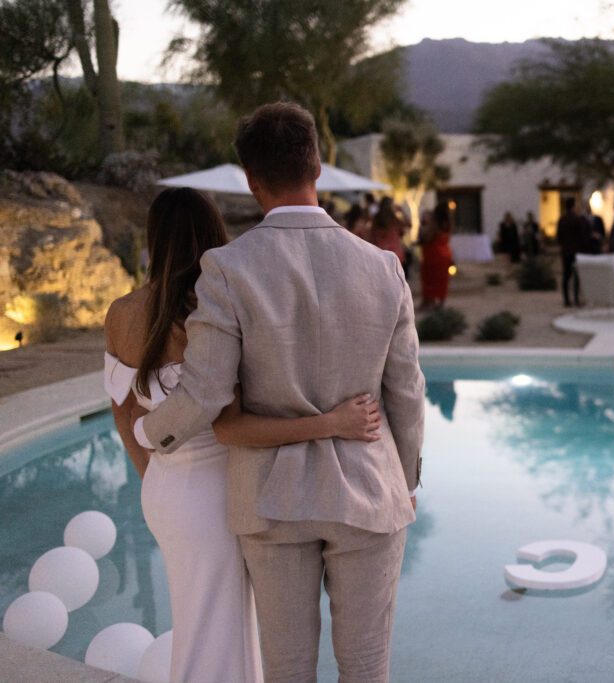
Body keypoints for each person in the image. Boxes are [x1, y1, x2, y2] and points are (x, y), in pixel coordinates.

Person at [132, 103, 424, 682]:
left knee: (287, 670)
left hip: (271, 501)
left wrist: (149, 431)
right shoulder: (383, 267)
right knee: (366, 666)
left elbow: (205, 393)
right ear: (316, 165)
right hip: (369, 492)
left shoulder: (226, 268)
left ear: (251, 180)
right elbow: (407, 393)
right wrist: (407, 479)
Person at [105, 187, 383, 683]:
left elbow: (122, 412)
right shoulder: (212, 308)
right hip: (223, 486)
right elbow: (227, 417)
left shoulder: (121, 313)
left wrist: (157, 477)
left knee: (201, 620)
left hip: (165, 491)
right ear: (214, 234)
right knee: (227, 625)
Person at [419, 204, 453, 309]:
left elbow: (427, 238)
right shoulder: (448, 224)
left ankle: (429, 302)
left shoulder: (435, 224)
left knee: (429, 279)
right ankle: (441, 303)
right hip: (445, 253)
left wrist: (422, 229)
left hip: (433, 254)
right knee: (442, 280)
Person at [556, 197, 588, 307]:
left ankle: (566, 300)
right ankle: (576, 299)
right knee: (576, 276)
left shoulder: (562, 220)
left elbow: (559, 237)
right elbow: (583, 237)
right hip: (576, 251)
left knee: (566, 275)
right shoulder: (577, 219)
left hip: (565, 251)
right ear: (573, 206)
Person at [371, 197, 408, 273]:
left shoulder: (376, 219)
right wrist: (402, 210)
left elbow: (372, 236)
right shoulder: (394, 220)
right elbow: (409, 224)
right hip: (395, 254)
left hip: (380, 252)